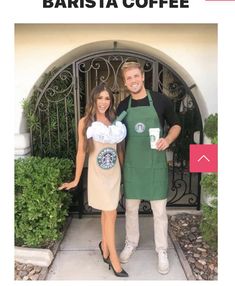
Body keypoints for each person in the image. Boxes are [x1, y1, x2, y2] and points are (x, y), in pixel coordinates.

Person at [117, 62, 181, 275]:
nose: (133, 81)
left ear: (142, 77)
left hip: (155, 165)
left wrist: (168, 139)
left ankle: (162, 250)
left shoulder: (161, 101)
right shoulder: (123, 106)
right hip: (133, 166)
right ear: (125, 83)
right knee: (131, 209)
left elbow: (176, 124)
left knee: (159, 211)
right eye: (129, 79)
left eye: (136, 76)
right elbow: (116, 136)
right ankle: (131, 243)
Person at [59, 84, 128, 278]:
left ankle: (104, 245)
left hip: (113, 174)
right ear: (93, 100)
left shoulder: (115, 121)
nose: (103, 102)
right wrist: (76, 179)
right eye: (100, 98)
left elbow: (120, 150)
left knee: (108, 212)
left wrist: (124, 172)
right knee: (111, 212)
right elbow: (81, 151)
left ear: (111, 101)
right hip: (98, 176)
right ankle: (113, 256)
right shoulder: (85, 122)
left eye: (107, 98)